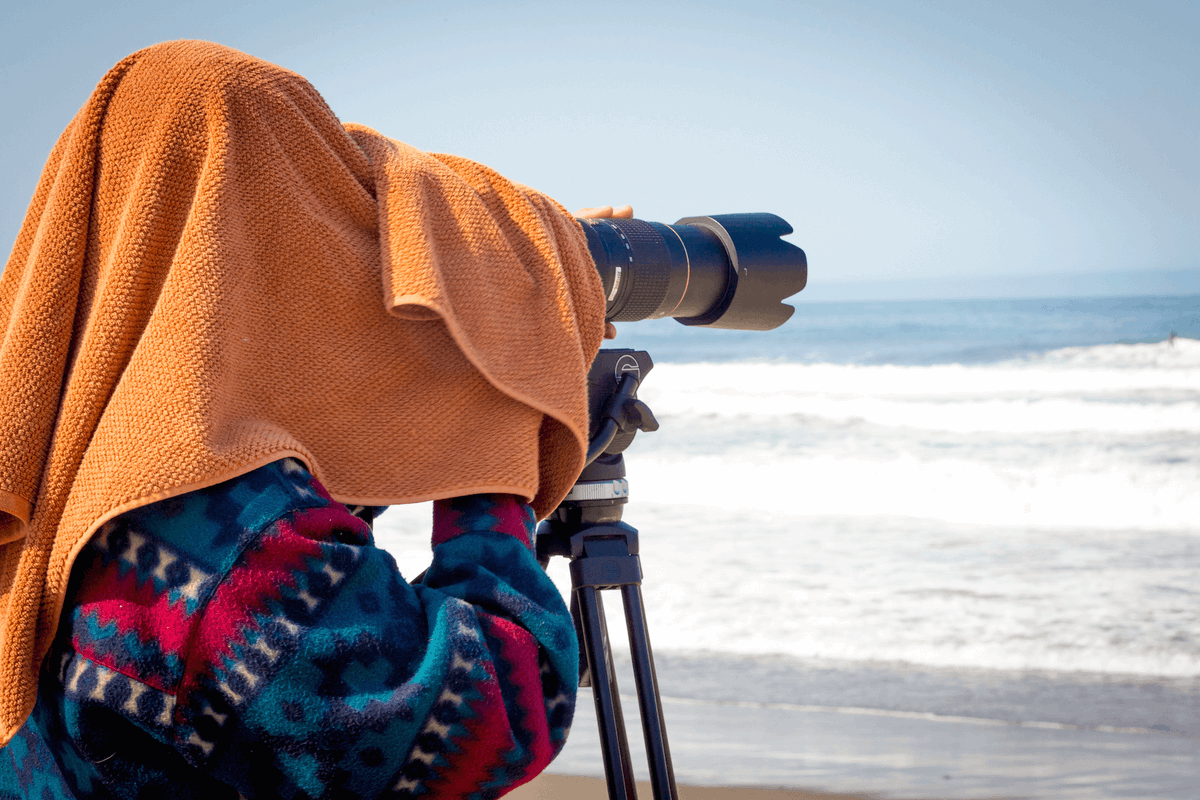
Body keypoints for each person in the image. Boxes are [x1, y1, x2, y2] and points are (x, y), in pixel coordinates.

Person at [0, 41, 628, 799]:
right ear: (252, 243)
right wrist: (499, 438)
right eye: (328, 214)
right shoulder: (231, 560)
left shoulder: (58, 459)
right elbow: (496, 709)